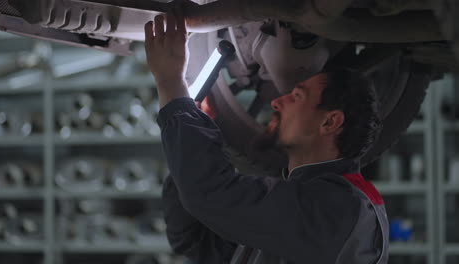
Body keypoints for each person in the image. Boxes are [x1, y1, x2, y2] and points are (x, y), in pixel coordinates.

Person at [144, 11, 389, 264]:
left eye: (296, 96)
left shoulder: (338, 209)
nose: (276, 102)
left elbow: (209, 194)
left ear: (330, 122)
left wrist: (171, 83)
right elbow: (195, 240)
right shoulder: (306, 202)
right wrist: (188, 139)